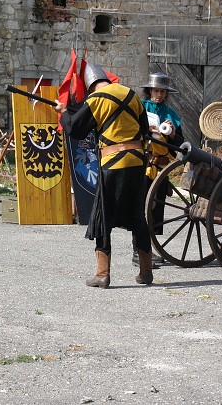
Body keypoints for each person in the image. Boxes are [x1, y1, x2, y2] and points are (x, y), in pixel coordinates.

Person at [54, 64, 153, 288]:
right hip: (137, 162)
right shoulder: (132, 95)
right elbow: (145, 129)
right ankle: (146, 272)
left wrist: (63, 113)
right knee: (138, 216)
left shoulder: (96, 99)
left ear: (90, 87)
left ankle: (102, 274)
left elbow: (76, 129)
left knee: (103, 217)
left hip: (113, 163)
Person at [138, 72, 184, 267]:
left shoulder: (171, 114)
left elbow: (179, 143)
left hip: (161, 168)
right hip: (143, 166)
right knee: (142, 208)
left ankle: (153, 247)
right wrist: (148, 130)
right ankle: (139, 249)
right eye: (156, 90)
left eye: (162, 91)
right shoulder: (140, 109)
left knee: (157, 210)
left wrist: (172, 134)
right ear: (150, 91)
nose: (159, 95)